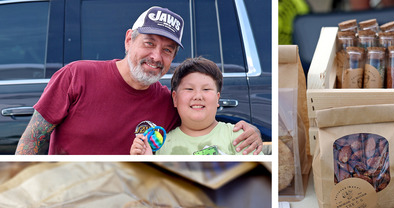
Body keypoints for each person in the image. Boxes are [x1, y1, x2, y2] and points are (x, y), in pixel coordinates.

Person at [15, 6, 262, 155]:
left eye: (167, 50)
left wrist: (249, 134)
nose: (156, 56)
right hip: (66, 198)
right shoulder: (76, 75)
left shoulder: (169, 102)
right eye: (149, 43)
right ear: (128, 40)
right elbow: (33, 138)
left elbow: (203, 130)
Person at [131, 57, 263, 155]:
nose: (198, 96)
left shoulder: (239, 136)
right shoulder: (161, 146)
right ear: (175, 99)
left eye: (206, 90)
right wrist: (144, 161)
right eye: (189, 89)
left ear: (218, 98)